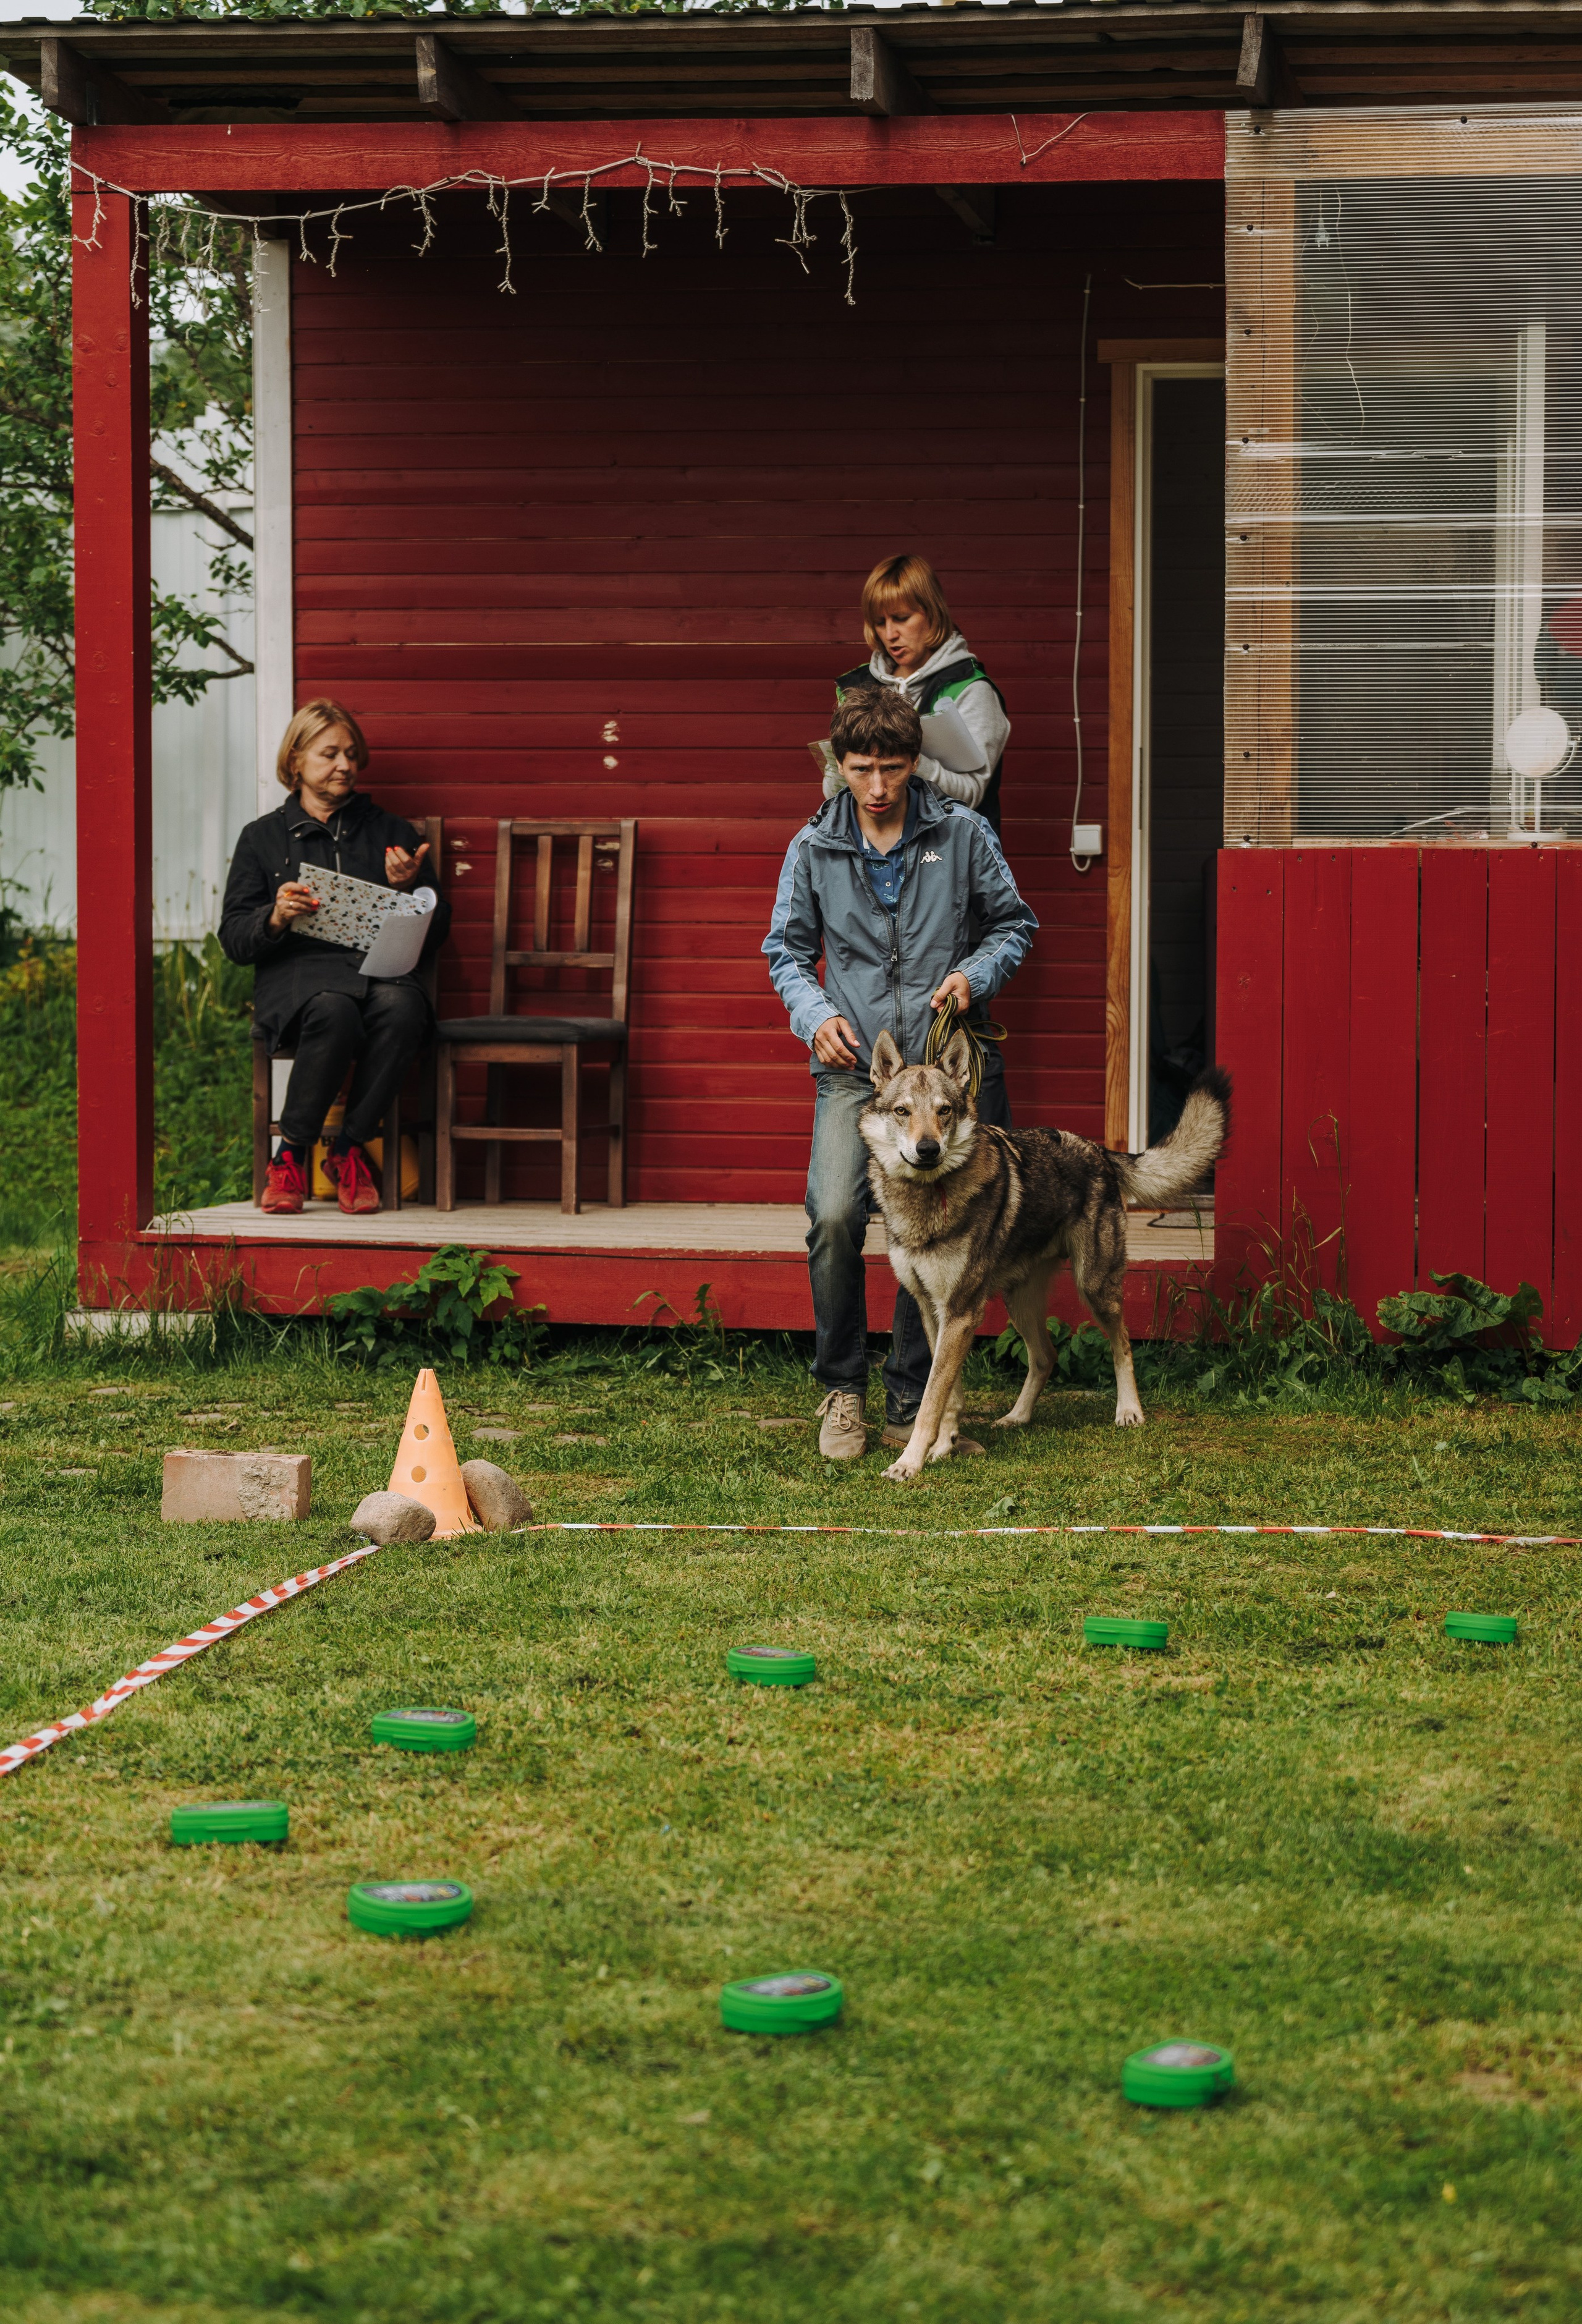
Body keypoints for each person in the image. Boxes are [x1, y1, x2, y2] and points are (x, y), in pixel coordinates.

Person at [764, 685, 1038, 1459]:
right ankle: (842, 1389)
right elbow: (786, 951)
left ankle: (913, 1401)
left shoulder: (962, 833)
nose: (878, 786)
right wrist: (816, 1016)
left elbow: (1014, 924)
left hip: (947, 1078)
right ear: (839, 765)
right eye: (861, 769)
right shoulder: (812, 846)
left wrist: (974, 975)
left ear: (915, 761)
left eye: (891, 768)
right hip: (861, 1072)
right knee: (835, 1215)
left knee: (946, 1229)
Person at [219, 699, 450, 1216]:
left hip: (379, 973)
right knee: (333, 1008)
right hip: (298, 982)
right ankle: (291, 1156)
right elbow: (234, 938)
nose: (345, 765)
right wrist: (276, 917)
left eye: (351, 754)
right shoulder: (261, 838)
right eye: (329, 754)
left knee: (406, 1008)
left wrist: (409, 891)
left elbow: (437, 931)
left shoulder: (392, 833)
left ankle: (348, 1149)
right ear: (296, 760)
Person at [827, 553, 1011, 831]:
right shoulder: (857, 686)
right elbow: (834, 792)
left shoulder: (971, 689)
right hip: (873, 848)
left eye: (901, 618)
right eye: (880, 622)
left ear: (932, 613)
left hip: (952, 848)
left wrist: (908, 760)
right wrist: (842, 768)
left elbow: (972, 795)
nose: (890, 634)